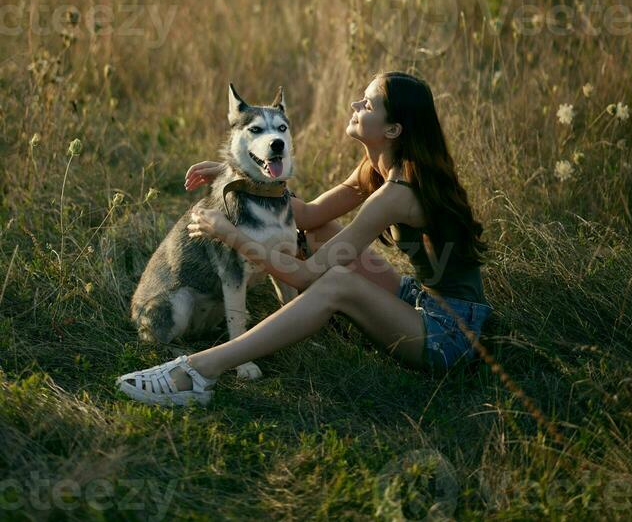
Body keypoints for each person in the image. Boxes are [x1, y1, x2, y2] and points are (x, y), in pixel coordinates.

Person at [116, 70, 493, 406]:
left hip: (451, 335)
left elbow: (306, 276)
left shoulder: (395, 193)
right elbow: (309, 215)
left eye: (368, 102)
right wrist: (239, 173)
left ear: (392, 130)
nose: (355, 103)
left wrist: (231, 235)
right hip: (418, 298)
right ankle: (299, 322)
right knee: (317, 232)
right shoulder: (375, 168)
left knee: (334, 283)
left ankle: (201, 369)